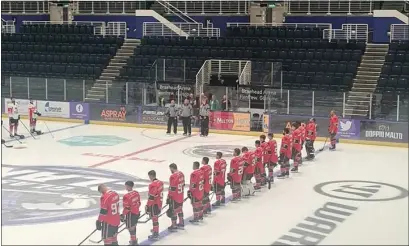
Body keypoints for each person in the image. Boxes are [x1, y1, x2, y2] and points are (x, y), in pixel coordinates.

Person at [145, 170, 164, 240]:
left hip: (154, 204)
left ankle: (156, 233)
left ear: (151, 176)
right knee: (155, 218)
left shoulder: (152, 185)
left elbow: (151, 197)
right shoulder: (160, 182)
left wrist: (147, 205)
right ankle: (155, 230)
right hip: (159, 202)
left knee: (154, 219)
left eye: (149, 176)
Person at [121, 181, 141, 246]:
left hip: (130, 214)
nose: (125, 187)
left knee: (130, 227)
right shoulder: (136, 193)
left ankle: (134, 241)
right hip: (136, 212)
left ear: (128, 186)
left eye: (126, 185)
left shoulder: (126, 196)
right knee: (134, 226)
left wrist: (123, 214)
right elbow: (139, 203)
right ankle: (134, 240)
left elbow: (127, 208)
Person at [167, 163, 185, 231]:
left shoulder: (173, 176)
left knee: (173, 211)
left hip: (175, 197)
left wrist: (169, 197)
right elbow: (183, 184)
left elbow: (172, 188)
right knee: (180, 209)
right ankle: (181, 222)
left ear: (172, 168)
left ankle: (174, 225)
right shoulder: (181, 174)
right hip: (181, 195)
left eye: (170, 169)